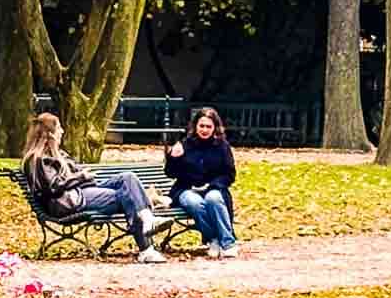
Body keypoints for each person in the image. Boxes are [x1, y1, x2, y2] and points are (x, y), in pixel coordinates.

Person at [21, 113, 167, 264]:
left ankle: (147, 218)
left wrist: (82, 176)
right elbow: (52, 187)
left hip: (80, 192)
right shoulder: (37, 159)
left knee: (127, 178)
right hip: (68, 201)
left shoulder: (58, 154)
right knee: (127, 196)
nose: (62, 131)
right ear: (49, 134)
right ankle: (146, 248)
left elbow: (73, 173)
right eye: (59, 127)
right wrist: (81, 177)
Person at [166, 107, 239, 258]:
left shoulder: (222, 146)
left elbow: (229, 174)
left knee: (213, 199)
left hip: (213, 187)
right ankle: (213, 239)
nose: (204, 130)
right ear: (195, 127)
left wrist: (212, 186)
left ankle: (227, 242)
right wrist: (174, 158)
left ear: (215, 128)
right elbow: (170, 173)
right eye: (201, 126)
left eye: (208, 126)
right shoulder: (185, 144)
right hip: (186, 189)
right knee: (193, 202)